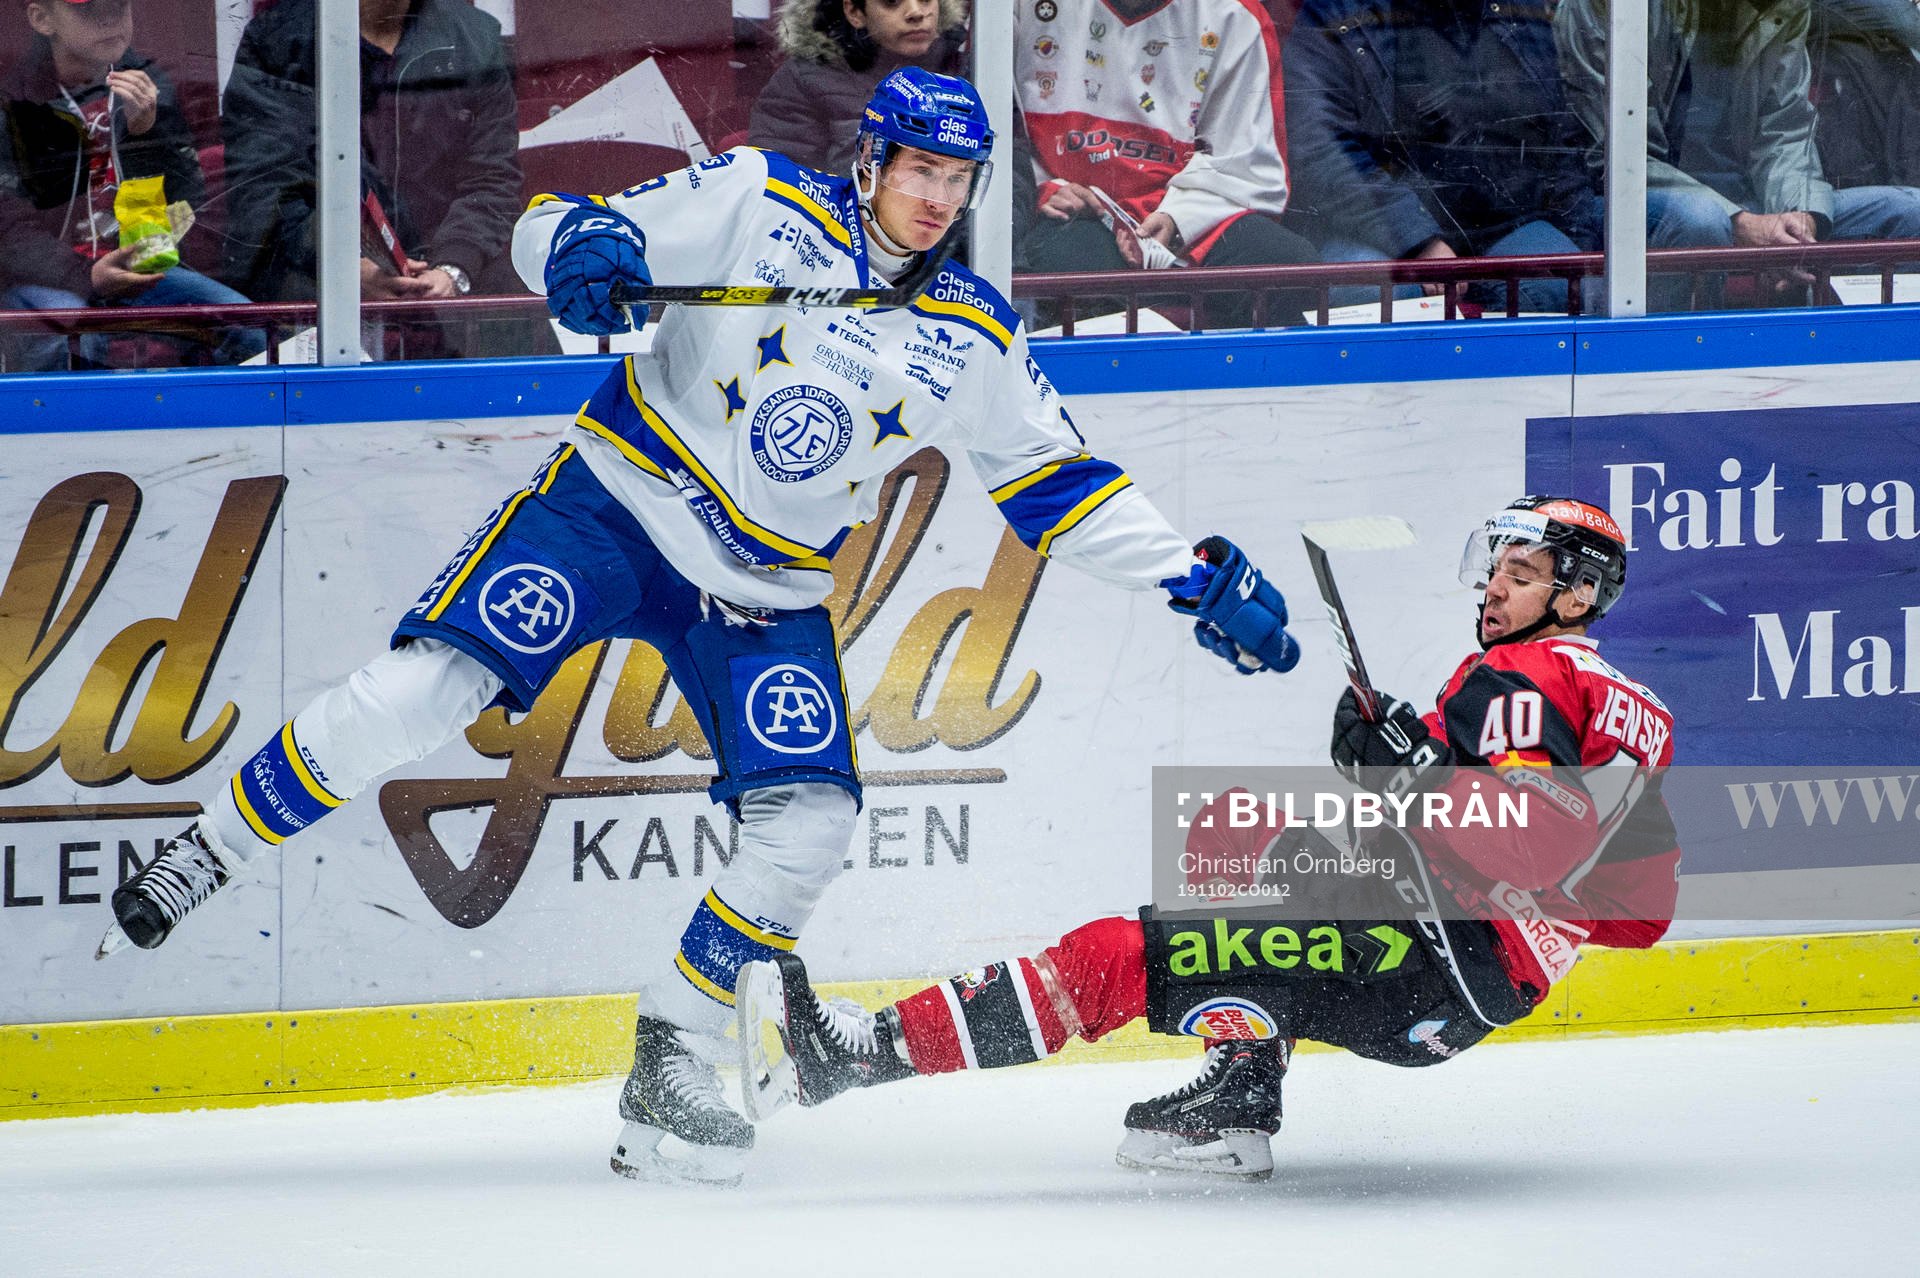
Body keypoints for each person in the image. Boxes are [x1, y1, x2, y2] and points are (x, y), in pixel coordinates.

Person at [96, 69, 1303, 1189]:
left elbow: (1056, 483)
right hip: (615, 510)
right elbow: (551, 228)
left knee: (813, 819)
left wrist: (1189, 577)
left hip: (766, 591)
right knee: (425, 692)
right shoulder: (754, 199)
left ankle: (668, 1058)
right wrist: (585, 247)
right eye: (920, 172)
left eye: (959, 181)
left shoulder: (972, 334)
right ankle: (209, 846)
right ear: (872, 160)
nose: (937, 200)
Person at [738, 496, 1682, 1180]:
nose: (1495, 589)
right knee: (1243, 827)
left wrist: (1414, 774)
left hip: (1428, 963)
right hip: (1463, 967)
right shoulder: (1630, 708)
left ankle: (853, 1054)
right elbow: (1641, 912)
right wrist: (1411, 767)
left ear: (1577, 594)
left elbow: (1523, 841)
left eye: (1522, 575)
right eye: (1497, 569)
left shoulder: (1522, 675)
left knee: (1114, 957)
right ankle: (1238, 1096)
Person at [1555, 0, 1920, 305]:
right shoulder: (1608, 6)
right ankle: (1674, 368)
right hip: (1627, 204)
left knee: (1908, 214)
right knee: (1701, 220)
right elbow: (1620, 158)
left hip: (1753, 205)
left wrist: (1801, 216)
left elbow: (1786, 130)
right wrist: (1739, 222)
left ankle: (1844, 373)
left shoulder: (1780, 6)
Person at [220, 0, 531, 352]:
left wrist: (452, 269)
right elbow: (262, 190)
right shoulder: (276, 43)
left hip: (451, 279)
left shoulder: (475, 39)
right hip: (316, 287)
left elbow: (493, 181)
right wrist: (340, 267)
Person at [1281, 0, 1602, 315]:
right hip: (1373, 222)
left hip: (1502, 222)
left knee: (1554, 282)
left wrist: (1578, 237)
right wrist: (1418, 241)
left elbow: (1558, 134)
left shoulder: (1516, 9)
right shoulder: (1333, 13)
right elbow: (1318, 149)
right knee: (1372, 294)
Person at [1013, 0, 1318, 328]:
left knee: (1287, 265)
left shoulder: (1235, 13)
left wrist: (1178, 219)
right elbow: (995, 134)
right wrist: (1046, 188)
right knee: (1075, 272)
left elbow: (1248, 161)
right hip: (1076, 210)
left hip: (1189, 211)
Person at [0, 0, 264, 369]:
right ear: (42, 18)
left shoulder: (147, 82)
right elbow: (9, 230)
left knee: (252, 328)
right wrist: (86, 275)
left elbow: (187, 199)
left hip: (136, 265)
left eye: (118, 7)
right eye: (89, 11)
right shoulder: (15, 102)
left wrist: (144, 134)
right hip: (49, 276)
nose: (110, 21)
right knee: (71, 335)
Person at [749, 0, 969, 175]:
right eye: (891, 2)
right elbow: (782, 190)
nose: (916, 12)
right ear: (854, 11)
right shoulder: (803, 81)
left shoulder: (969, 71)